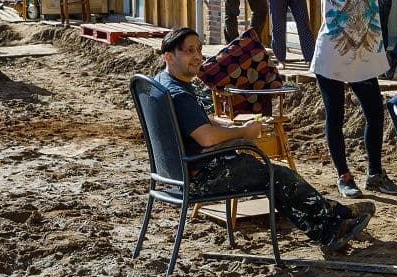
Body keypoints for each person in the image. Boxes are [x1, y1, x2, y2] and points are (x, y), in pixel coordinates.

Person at [153, 27, 373, 252]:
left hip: (180, 172)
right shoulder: (180, 94)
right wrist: (243, 133)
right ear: (169, 56)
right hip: (201, 177)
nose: (198, 56)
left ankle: (337, 214)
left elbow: (195, 121)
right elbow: (207, 137)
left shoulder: (163, 82)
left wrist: (227, 125)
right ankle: (331, 229)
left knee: (273, 175)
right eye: (189, 51)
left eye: (199, 49)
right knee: (278, 176)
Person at [288, 0, 397, 198]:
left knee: (375, 114)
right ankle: (344, 176)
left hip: (364, 60)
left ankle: (375, 174)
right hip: (331, 60)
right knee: (336, 117)